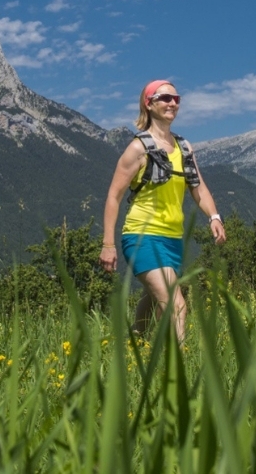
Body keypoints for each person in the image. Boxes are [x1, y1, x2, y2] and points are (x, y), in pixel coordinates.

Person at [99, 79, 226, 343]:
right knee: (174, 304)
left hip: (172, 239)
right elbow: (114, 196)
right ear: (149, 103)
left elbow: (198, 187)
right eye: (165, 98)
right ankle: (178, 370)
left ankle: (136, 340)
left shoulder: (184, 148)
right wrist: (108, 244)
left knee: (153, 295)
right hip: (141, 236)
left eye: (176, 99)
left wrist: (214, 217)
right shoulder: (138, 149)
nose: (172, 103)